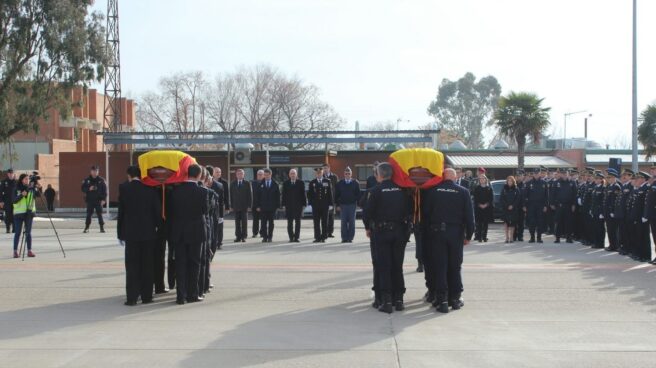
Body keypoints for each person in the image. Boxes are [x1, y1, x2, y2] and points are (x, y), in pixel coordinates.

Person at [422, 168, 475, 313]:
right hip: (456, 233)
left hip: (437, 233)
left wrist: (427, 235)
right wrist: (468, 236)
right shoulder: (463, 192)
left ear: (442, 177)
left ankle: (442, 300)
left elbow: (425, 215)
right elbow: (470, 218)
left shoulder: (433, 191)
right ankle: (455, 298)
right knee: (455, 266)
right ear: (455, 177)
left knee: (440, 267)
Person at [365, 162, 412, 313]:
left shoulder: (376, 190)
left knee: (384, 267)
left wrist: (368, 228)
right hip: (400, 232)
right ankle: (399, 300)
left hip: (382, 232)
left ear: (380, 175)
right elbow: (410, 210)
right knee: (397, 266)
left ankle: (386, 301)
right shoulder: (403, 190)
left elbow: (367, 213)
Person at [117, 166, 162, 306]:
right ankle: (147, 296)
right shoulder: (150, 189)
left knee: (132, 266)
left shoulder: (124, 189)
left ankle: (132, 297)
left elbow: (121, 213)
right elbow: (157, 212)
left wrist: (120, 233)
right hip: (148, 233)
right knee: (147, 265)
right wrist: (158, 228)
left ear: (129, 175)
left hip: (131, 233)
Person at [170, 164, 208, 305]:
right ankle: (193, 294)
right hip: (196, 232)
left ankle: (180, 296)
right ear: (199, 175)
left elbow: (171, 212)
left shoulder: (175, 191)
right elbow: (204, 210)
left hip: (179, 232)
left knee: (180, 264)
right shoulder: (202, 192)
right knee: (195, 263)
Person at [12, 173, 41, 258]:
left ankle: (29, 250)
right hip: (19, 214)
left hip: (29, 213)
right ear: (21, 180)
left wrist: (39, 188)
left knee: (28, 233)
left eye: (28, 179)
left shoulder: (31, 188)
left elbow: (38, 195)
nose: (27, 180)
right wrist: (21, 195)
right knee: (17, 232)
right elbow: (14, 200)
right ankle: (15, 251)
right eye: (25, 179)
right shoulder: (16, 188)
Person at [551, 168, 578, 244]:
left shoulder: (572, 183)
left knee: (568, 222)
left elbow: (575, 195)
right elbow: (552, 194)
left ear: (568, 174)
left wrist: (574, 204)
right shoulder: (556, 182)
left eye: (565, 174)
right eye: (563, 174)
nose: (564, 175)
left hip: (569, 206)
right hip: (559, 205)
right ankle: (557, 238)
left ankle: (568, 238)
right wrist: (552, 203)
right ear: (560, 174)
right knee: (558, 222)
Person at [335, 167, 361, 243]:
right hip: (343, 205)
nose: (347, 175)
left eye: (349, 173)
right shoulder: (340, 183)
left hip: (352, 205)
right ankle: (344, 238)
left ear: (351, 174)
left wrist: (358, 203)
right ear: (344, 174)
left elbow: (358, 194)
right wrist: (337, 205)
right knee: (343, 222)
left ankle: (350, 238)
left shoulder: (355, 183)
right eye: (346, 173)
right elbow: (337, 195)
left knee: (352, 222)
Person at [629, 171, 651, 262]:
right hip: (637, 217)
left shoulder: (646, 188)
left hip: (642, 217)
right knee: (638, 236)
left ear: (643, 179)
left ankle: (645, 255)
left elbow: (646, 204)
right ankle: (639, 253)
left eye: (638, 178)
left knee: (644, 237)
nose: (636, 180)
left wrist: (645, 215)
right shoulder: (640, 188)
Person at [308, 167, 333, 243]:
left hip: (325, 205)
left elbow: (330, 193)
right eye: (317, 173)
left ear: (322, 173)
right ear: (316, 174)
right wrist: (310, 203)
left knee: (324, 221)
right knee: (316, 222)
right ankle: (317, 237)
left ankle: (324, 237)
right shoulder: (312, 182)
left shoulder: (327, 181)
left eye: (320, 173)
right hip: (315, 206)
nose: (318, 174)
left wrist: (331, 204)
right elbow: (310, 194)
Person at [254, 168, 280, 243]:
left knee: (271, 223)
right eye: (264, 175)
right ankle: (264, 237)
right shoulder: (260, 184)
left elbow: (277, 196)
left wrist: (277, 206)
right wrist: (258, 206)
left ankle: (270, 237)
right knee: (263, 223)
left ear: (270, 175)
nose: (266, 176)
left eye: (267, 175)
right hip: (263, 207)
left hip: (272, 208)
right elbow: (257, 196)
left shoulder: (275, 184)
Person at [524, 168, 548, 243]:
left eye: (538, 173)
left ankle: (539, 237)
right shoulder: (529, 183)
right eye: (535, 173)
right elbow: (525, 196)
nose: (536, 175)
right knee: (532, 222)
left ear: (540, 174)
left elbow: (546, 196)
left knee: (540, 222)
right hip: (531, 205)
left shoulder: (544, 183)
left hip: (541, 205)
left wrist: (545, 206)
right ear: (533, 174)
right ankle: (532, 237)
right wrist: (525, 205)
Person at [281, 169, 306, 242]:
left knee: (298, 222)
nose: (292, 175)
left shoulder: (300, 183)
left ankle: (297, 237)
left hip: (298, 206)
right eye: (291, 173)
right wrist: (283, 205)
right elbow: (284, 195)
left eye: (294, 173)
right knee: (290, 222)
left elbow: (303, 194)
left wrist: (304, 204)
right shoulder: (286, 183)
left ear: (296, 174)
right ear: (289, 175)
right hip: (289, 206)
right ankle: (291, 237)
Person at [81, 165, 107, 233]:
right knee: (89, 214)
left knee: (100, 214)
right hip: (90, 200)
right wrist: (89, 188)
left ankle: (102, 228)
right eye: (93, 171)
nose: (95, 172)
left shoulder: (101, 180)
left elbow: (105, 191)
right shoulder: (87, 180)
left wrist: (104, 200)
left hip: (99, 200)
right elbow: (83, 189)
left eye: (96, 171)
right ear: (91, 171)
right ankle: (87, 227)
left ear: (98, 172)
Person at [206, 166, 226, 250]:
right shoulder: (201, 184)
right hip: (206, 212)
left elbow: (221, 201)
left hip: (215, 212)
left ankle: (218, 244)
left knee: (217, 230)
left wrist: (221, 215)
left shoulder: (219, 185)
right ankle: (210, 245)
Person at [230, 169, 252, 242]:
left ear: (243, 175)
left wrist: (249, 206)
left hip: (244, 206)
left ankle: (244, 236)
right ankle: (238, 236)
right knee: (237, 222)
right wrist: (231, 206)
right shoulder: (233, 183)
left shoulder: (247, 183)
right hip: (236, 206)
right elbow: (231, 195)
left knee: (244, 222)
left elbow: (250, 195)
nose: (240, 175)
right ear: (236, 175)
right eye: (238, 174)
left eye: (241, 173)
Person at [616, 169, 634, 256]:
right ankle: (624, 247)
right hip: (621, 213)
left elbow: (629, 201)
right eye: (623, 175)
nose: (623, 176)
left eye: (626, 175)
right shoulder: (624, 186)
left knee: (627, 232)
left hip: (626, 213)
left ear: (630, 176)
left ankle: (628, 248)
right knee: (622, 232)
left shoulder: (631, 186)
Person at [604, 168, 622, 252]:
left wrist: (613, 211)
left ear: (614, 177)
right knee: (610, 230)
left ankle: (616, 245)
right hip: (607, 212)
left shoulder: (616, 186)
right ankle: (611, 245)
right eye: (607, 178)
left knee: (614, 230)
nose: (608, 179)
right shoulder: (608, 186)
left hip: (612, 212)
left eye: (610, 177)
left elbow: (616, 201)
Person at [473, 175, 493, 242]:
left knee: (485, 223)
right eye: (480, 179)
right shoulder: (477, 188)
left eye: (483, 178)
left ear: (485, 179)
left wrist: (486, 204)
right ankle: (479, 237)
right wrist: (480, 205)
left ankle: (484, 237)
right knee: (479, 224)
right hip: (479, 208)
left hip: (487, 208)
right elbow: (475, 198)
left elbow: (491, 199)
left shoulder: (489, 188)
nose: (481, 180)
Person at [500, 176, 521, 243]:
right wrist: (507, 206)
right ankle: (507, 237)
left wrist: (513, 205)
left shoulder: (516, 189)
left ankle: (511, 237)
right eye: (508, 181)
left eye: (511, 181)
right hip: (505, 209)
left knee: (512, 224)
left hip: (513, 209)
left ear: (513, 181)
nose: (509, 182)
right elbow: (501, 198)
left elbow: (518, 199)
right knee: (506, 223)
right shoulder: (504, 189)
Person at [323, 164, 339, 238]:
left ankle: (330, 232)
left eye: (326, 168)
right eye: (324, 168)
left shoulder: (334, 177)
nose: (325, 170)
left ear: (329, 168)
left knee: (331, 217)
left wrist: (336, 200)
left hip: (332, 200)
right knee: (324, 217)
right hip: (324, 200)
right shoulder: (322, 177)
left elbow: (337, 189)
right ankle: (324, 232)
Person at [0, 168, 18, 233]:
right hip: (7, 201)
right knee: (8, 215)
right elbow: (0, 192)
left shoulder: (16, 182)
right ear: (8, 174)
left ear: (13, 174)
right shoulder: (4, 182)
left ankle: (14, 228)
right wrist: (1, 201)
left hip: (15, 201)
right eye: (9, 173)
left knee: (14, 215)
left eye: (12, 173)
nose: (11, 175)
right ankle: (8, 228)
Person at [251, 170, 265, 238]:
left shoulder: (266, 182)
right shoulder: (253, 183)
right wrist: (256, 206)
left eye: (261, 174)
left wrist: (261, 206)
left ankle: (262, 233)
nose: (260, 175)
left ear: (264, 175)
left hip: (263, 205)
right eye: (258, 174)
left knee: (263, 220)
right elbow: (252, 195)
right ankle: (255, 232)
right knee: (255, 220)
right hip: (255, 205)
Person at [514, 170, 526, 241]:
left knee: (521, 222)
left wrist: (525, 206)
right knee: (514, 222)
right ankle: (514, 235)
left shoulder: (525, 185)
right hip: (514, 207)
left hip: (522, 207)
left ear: (523, 176)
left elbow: (526, 197)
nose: (519, 177)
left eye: (520, 176)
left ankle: (520, 236)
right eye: (517, 176)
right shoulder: (513, 185)